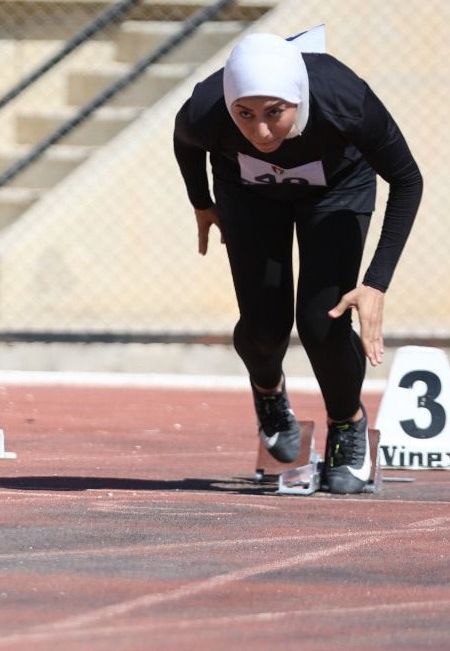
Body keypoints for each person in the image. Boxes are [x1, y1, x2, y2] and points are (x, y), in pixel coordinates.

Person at [173, 31, 422, 493]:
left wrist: (376, 282)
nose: (261, 132)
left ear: (299, 99)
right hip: (249, 195)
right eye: (243, 114)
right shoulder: (207, 108)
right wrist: (202, 202)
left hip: (337, 191)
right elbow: (184, 141)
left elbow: (407, 180)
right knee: (264, 328)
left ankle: (346, 422)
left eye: (275, 113)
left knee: (321, 324)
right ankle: (269, 393)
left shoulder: (344, 99)